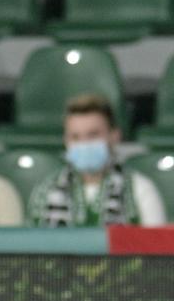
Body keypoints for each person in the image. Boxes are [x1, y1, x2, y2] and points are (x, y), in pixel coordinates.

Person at [29, 94, 166, 227]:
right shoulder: (45, 190)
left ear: (114, 136)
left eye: (93, 135)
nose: (84, 144)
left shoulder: (140, 189)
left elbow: (157, 245)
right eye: (75, 137)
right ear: (66, 141)